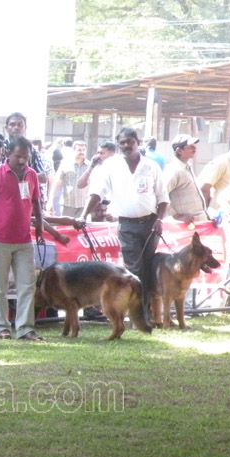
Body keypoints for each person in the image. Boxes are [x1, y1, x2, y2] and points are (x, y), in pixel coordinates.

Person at [81, 127, 169, 319]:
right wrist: (83, 215)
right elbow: (97, 193)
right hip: (127, 225)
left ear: (138, 142)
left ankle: (146, 311)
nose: (126, 146)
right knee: (134, 270)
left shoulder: (151, 166)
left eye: (130, 141)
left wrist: (160, 219)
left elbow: (163, 198)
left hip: (151, 224)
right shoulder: (111, 165)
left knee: (147, 268)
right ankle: (138, 313)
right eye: (122, 143)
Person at [0, 136, 44, 342]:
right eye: (18, 156)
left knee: (27, 285)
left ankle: (25, 328)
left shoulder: (31, 175)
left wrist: (39, 224)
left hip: (23, 239)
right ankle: (2, 327)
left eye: (26, 157)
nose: (22, 161)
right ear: (8, 153)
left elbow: (36, 202)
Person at [4, 112, 53, 207]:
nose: (16, 127)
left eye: (20, 124)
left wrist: (23, 177)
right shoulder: (1, 147)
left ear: (25, 127)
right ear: (6, 128)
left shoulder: (32, 149)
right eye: (12, 124)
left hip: (26, 196)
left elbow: (43, 177)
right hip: (4, 197)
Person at [163, 134, 206, 224]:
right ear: (179, 151)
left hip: (195, 222)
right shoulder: (174, 170)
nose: (194, 149)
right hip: (184, 225)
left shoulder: (186, 167)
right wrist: (177, 216)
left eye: (194, 146)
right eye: (190, 147)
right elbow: (162, 196)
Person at [49, 140, 90, 217]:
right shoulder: (65, 164)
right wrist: (50, 201)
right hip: (67, 205)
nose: (82, 152)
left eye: (84, 150)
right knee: (65, 228)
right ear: (73, 150)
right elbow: (57, 183)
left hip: (83, 206)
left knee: (82, 228)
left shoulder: (90, 166)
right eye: (79, 150)